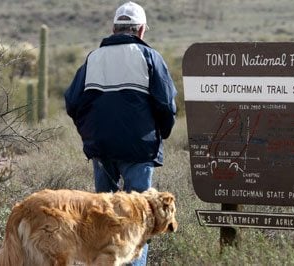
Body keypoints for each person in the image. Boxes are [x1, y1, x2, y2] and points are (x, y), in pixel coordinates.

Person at [65, 2, 177, 265]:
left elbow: (72, 102)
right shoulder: (150, 57)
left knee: (103, 218)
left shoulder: (94, 58)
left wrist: (88, 134)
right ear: (140, 30)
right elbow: (167, 104)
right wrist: (161, 133)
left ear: (114, 29)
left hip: (102, 149)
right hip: (139, 149)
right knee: (140, 220)